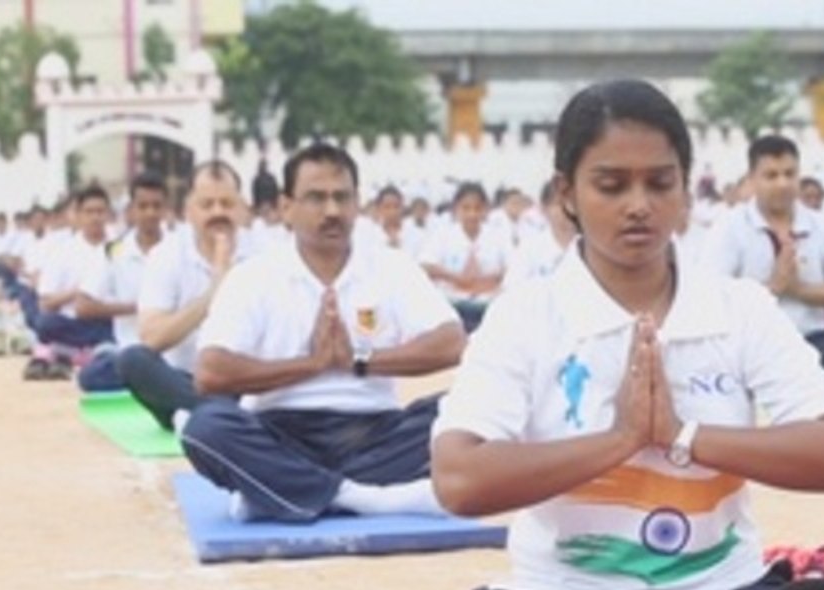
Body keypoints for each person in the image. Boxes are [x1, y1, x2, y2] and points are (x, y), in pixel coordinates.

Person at [405, 79, 824, 590]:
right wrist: (621, 440)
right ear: (567, 194)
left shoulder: (738, 307)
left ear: (687, 190)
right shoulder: (527, 316)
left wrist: (683, 434)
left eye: (660, 183)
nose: (639, 205)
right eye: (611, 185)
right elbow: (459, 480)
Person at [180, 143, 466, 522]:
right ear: (286, 207)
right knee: (204, 428)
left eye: (341, 198)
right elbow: (210, 373)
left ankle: (278, 492)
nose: (331, 211)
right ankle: (361, 497)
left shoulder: (391, 267)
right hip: (280, 432)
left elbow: (451, 343)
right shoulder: (254, 276)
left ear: (357, 204)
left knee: (469, 408)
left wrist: (358, 362)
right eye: (316, 198)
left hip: (377, 434)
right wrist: (312, 364)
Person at [708, 135, 824, 396]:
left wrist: (797, 290)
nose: (782, 183)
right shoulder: (730, 227)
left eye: (789, 174)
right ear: (752, 180)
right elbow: (710, 301)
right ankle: (818, 382)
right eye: (771, 176)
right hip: (753, 344)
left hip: (811, 342)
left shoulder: (820, 225)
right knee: (712, 353)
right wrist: (773, 287)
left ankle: (791, 381)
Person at [117, 162, 256, 430]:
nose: (218, 212)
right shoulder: (167, 255)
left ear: (242, 208)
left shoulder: (266, 253)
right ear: (188, 211)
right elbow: (152, 338)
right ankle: (222, 417)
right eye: (207, 205)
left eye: (227, 204)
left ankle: (207, 417)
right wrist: (214, 293)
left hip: (247, 383)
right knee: (132, 360)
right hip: (184, 383)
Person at [74, 173, 170, 392]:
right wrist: (138, 307)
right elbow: (83, 305)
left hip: (172, 353)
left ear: (166, 209)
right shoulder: (114, 252)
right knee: (92, 376)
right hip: (130, 351)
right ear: (131, 210)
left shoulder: (181, 249)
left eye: (157, 206)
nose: (150, 213)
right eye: (143, 206)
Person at [25, 186, 115, 380]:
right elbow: (45, 302)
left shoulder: (119, 248)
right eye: (89, 212)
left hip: (108, 318)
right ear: (79, 215)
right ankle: (84, 352)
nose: (95, 217)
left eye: (100, 212)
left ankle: (69, 353)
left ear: (108, 215)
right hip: (73, 321)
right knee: (45, 323)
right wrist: (78, 292)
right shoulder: (64, 252)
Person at [418, 182, 513, 332]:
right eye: (466, 208)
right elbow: (426, 265)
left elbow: (514, 267)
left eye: (477, 208)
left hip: (489, 304)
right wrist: (455, 278)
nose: (472, 214)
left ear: (486, 210)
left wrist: (487, 280)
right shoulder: (443, 235)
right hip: (452, 304)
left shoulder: (498, 235)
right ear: (456, 209)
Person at [501, 179, 577, 288]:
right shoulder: (530, 247)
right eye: (559, 204)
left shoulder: (591, 245)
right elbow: (510, 288)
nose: (567, 209)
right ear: (544, 209)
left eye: (571, 203)